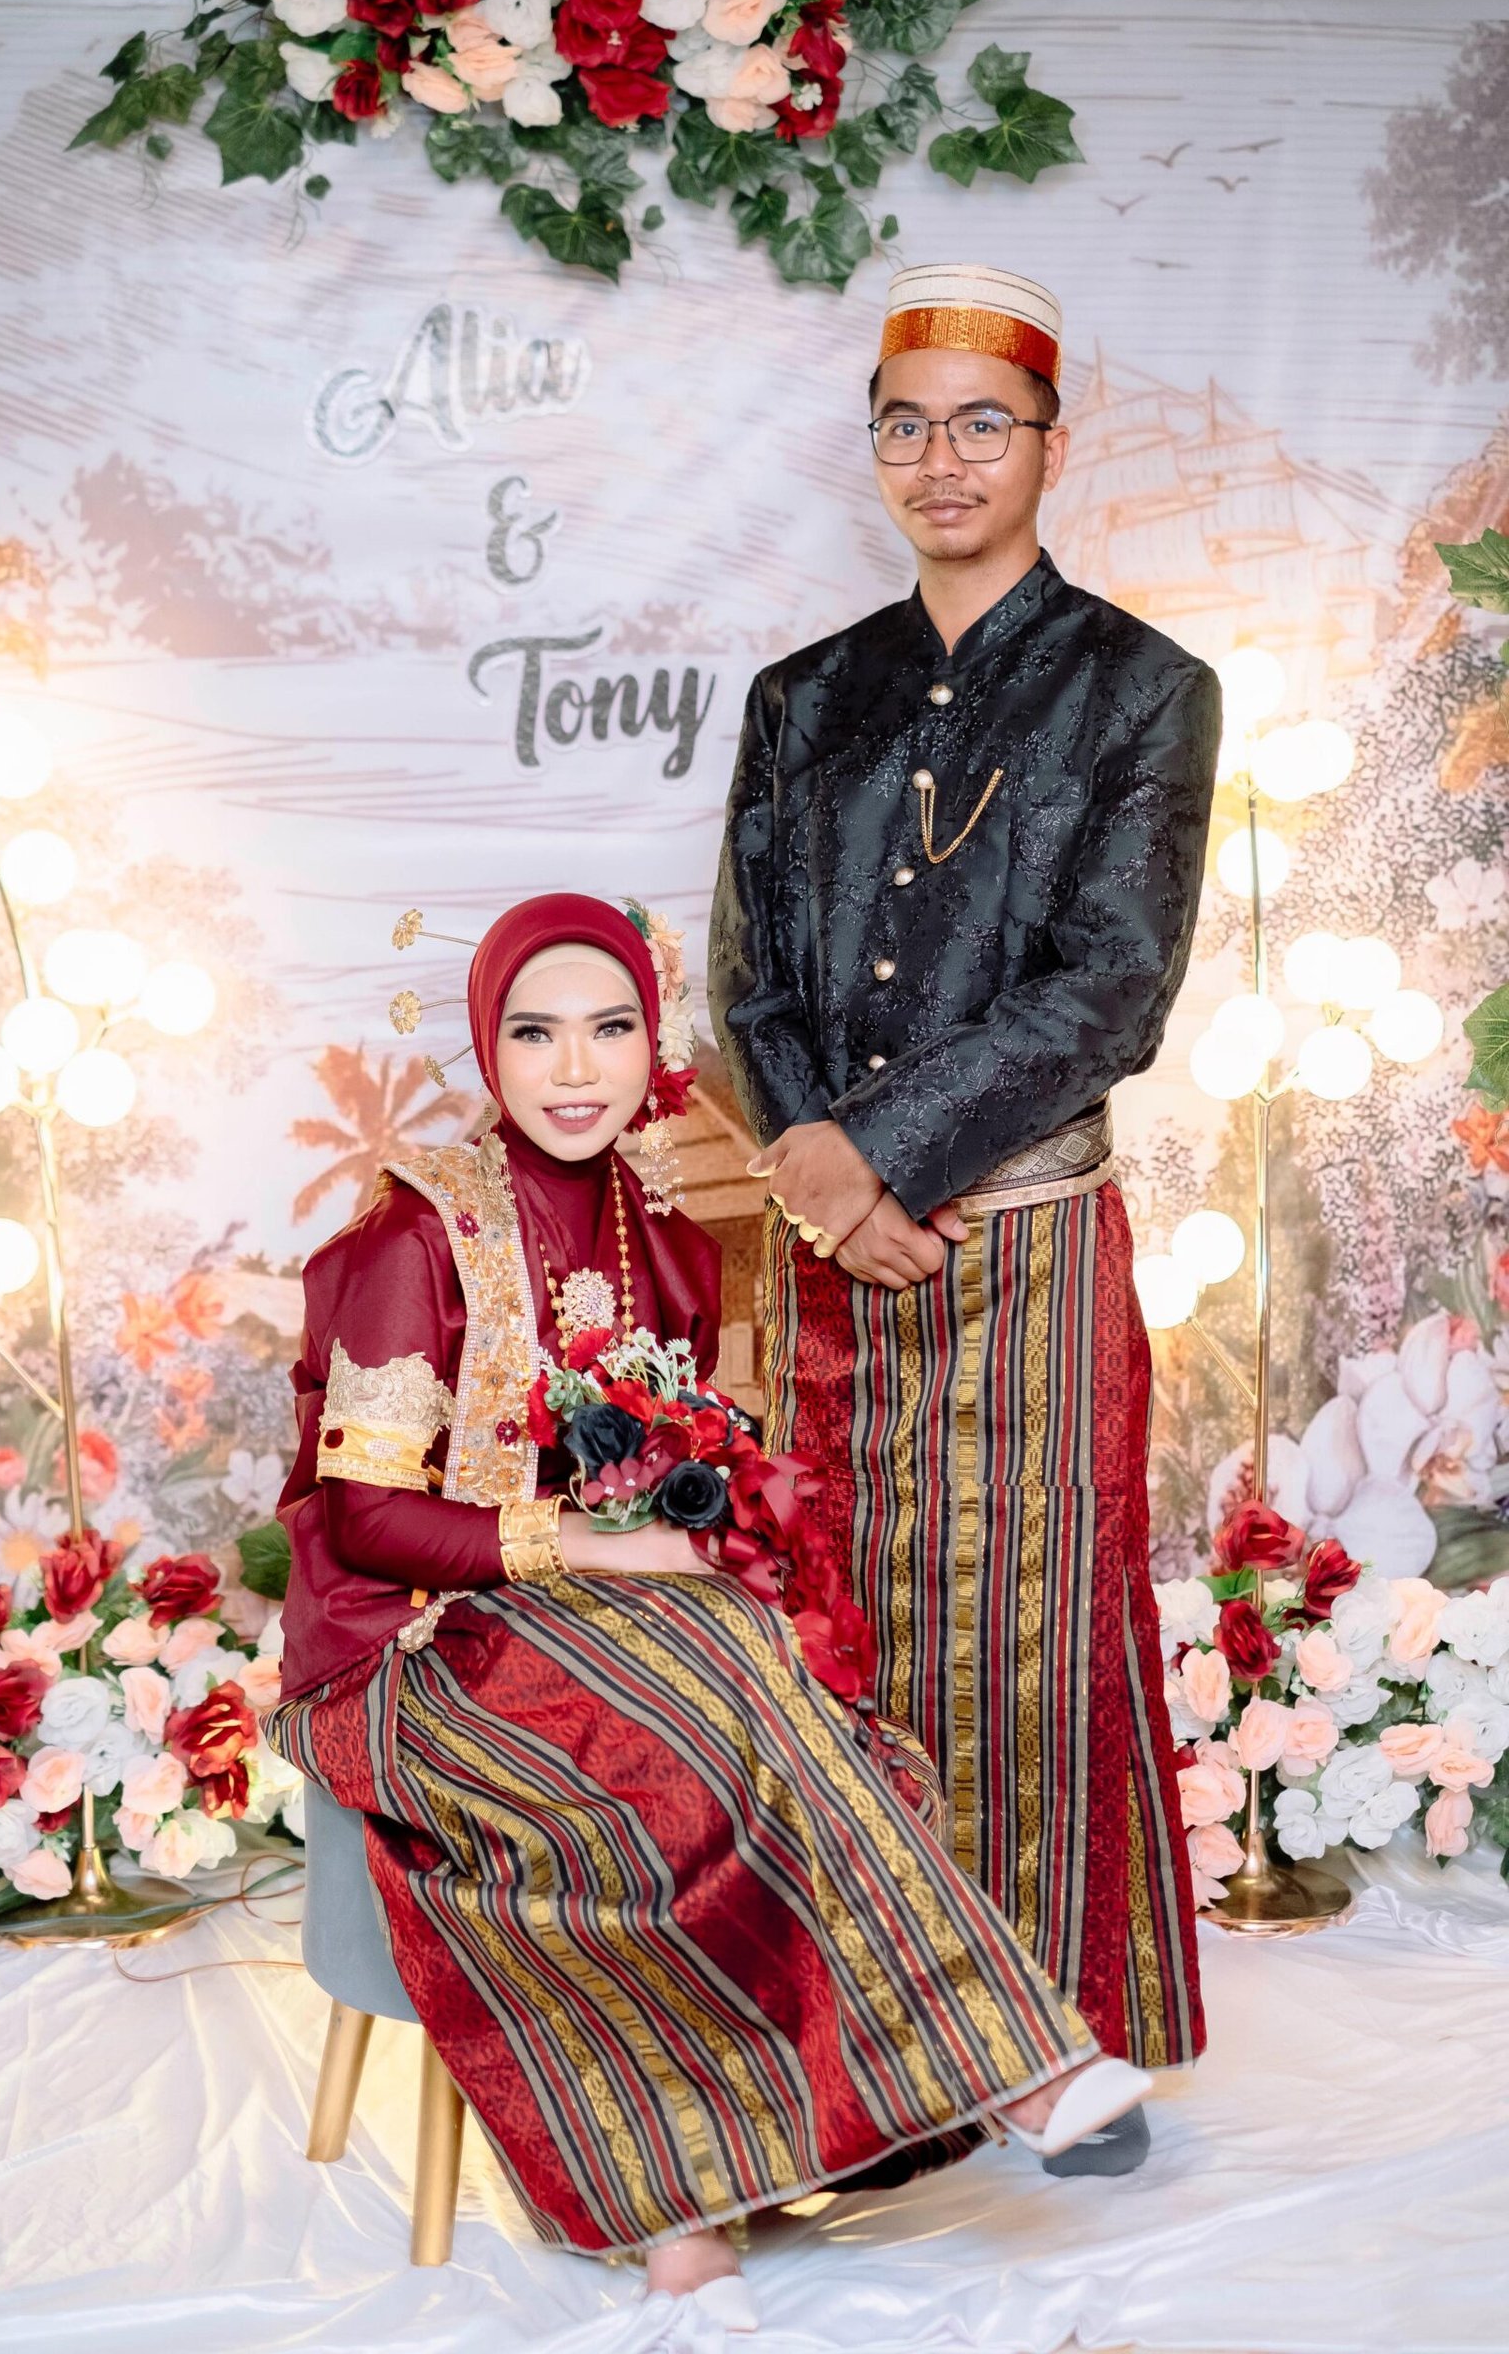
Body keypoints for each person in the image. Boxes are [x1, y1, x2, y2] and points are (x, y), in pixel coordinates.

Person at [267, 890, 1150, 2325]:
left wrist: (685, 1533)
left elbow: (678, 1463)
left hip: (587, 1621)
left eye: (610, 1028)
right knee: (653, 1764)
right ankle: (696, 2210)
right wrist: (591, 1545)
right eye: (535, 1033)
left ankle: (948, 2087)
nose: (574, 1069)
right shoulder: (413, 1237)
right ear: (487, 1047)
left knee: (790, 1694)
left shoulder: (662, 1233)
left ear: (652, 1042)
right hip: (401, 1648)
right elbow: (366, 1519)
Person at [709, 267, 1221, 2172]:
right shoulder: (804, 697)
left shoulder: (1145, 689)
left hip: (1030, 1248)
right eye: (906, 425)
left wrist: (876, 1157)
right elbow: (751, 974)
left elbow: (1114, 985)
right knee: (839, 1627)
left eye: (981, 424)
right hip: (833, 1258)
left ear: (1050, 449)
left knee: (1037, 1632)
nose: (943, 459)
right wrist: (818, 1166)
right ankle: (887, 2055)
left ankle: (1059, 2032)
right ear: (875, 449)